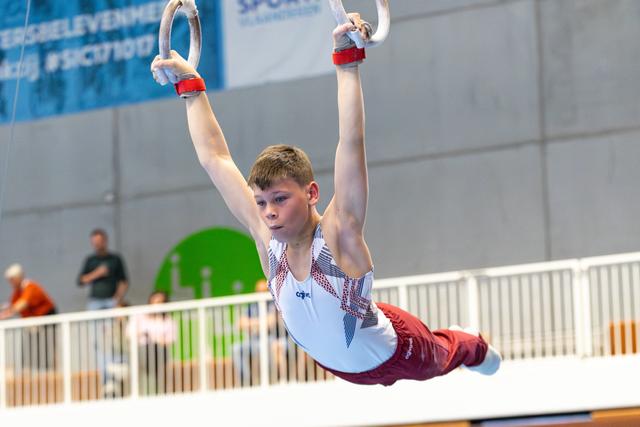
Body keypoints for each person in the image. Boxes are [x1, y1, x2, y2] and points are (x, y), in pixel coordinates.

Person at [151, 13, 501, 386]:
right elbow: (214, 158)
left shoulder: (339, 232)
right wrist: (190, 87)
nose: (269, 213)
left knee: (443, 356)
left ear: (312, 193)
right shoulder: (266, 237)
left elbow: (351, 141)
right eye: (262, 202)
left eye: (280, 199)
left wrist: (346, 62)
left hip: (396, 352)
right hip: (336, 365)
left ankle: (474, 346)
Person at [1, 263, 58, 372]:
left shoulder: (30, 286)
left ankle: (47, 370)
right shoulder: (17, 292)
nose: (11, 282)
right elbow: (11, 305)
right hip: (34, 321)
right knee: (31, 345)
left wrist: (5, 314)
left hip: (47, 317)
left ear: (19, 277)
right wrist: (5, 311)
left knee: (46, 345)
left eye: (12, 279)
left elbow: (21, 304)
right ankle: (30, 370)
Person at [133, 291, 176, 395]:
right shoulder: (140, 316)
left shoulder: (168, 320)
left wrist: (154, 338)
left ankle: (156, 390)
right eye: (155, 301)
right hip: (141, 351)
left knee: (154, 352)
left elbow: (169, 340)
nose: (157, 305)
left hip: (159, 352)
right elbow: (131, 333)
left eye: (160, 302)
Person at [77, 228, 129, 310]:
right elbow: (80, 281)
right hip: (94, 301)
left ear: (105, 241)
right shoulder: (90, 260)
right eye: (94, 242)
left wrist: (118, 298)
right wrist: (97, 273)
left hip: (112, 300)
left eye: (99, 241)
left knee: (113, 322)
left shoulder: (115, 259)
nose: (97, 244)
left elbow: (124, 281)